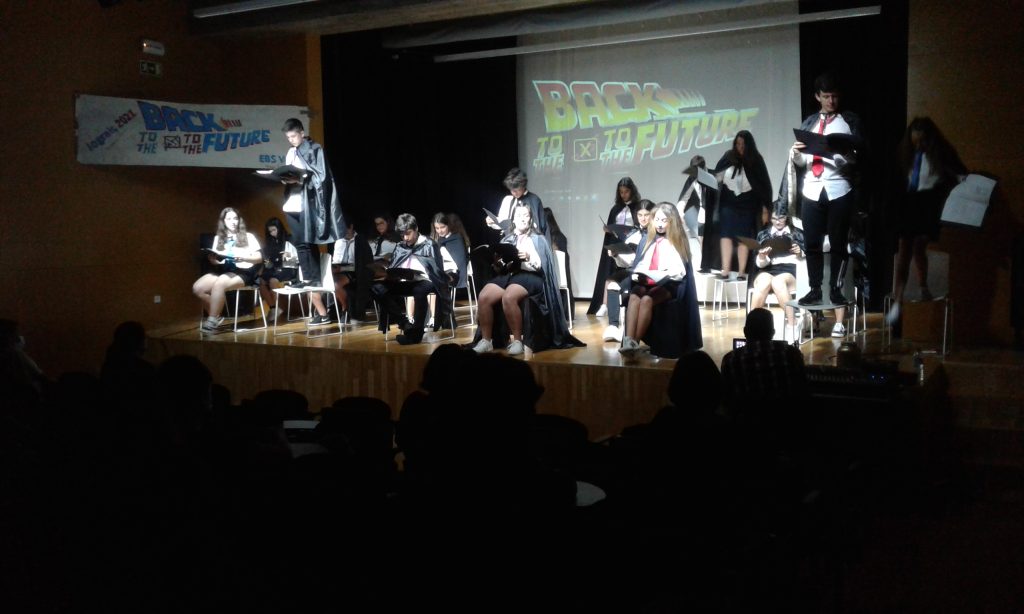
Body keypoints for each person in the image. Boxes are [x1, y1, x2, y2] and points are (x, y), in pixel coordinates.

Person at [788, 73, 863, 338]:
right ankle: (815, 288)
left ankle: (836, 288)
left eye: (835, 96)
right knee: (811, 243)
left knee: (839, 243)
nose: (831, 101)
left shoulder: (847, 122)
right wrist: (797, 154)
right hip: (812, 188)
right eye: (827, 96)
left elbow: (857, 159)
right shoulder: (810, 123)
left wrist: (840, 156)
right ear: (817, 97)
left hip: (838, 188)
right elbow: (802, 163)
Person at [472, 203, 582, 355]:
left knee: (508, 297)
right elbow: (502, 267)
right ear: (513, 219)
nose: (522, 219)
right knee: (484, 296)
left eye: (526, 215)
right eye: (519, 215)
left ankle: (517, 341)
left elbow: (540, 265)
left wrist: (529, 257)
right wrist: (498, 264)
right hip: (510, 274)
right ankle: (486, 341)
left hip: (530, 275)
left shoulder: (537, 239)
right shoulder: (508, 238)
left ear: (531, 219)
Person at [887, 116, 966, 325]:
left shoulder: (941, 154)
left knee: (918, 246)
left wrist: (959, 181)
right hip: (909, 202)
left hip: (929, 203)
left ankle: (923, 286)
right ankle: (898, 299)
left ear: (930, 139)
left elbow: (960, 173)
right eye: (915, 141)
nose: (919, 145)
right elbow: (897, 180)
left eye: (923, 141)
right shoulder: (906, 155)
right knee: (903, 249)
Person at [279, 118, 345, 323]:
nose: (291, 140)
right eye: (288, 137)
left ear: (301, 132)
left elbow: (321, 176)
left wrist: (300, 178)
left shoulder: (314, 149)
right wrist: (285, 179)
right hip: (292, 201)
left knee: (308, 241)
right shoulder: (291, 152)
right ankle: (306, 277)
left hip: (307, 202)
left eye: (293, 136)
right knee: (299, 241)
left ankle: (313, 278)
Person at [619, 202, 701, 357]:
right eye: (657, 220)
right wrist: (638, 274)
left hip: (669, 284)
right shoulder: (647, 239)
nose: (660, 224)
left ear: (671, 221)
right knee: (635, 296)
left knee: (647, 300)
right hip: (647, 281)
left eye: (664, 220)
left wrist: (663, 275)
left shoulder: (677, 241)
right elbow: (640, 263)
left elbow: (680, 272)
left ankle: (635, 343)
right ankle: (628, 341)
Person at [372, 214, 449, 345]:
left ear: (416, 229)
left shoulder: (429, 244)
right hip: (405, 282)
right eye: (402, 235)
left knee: (420, 290)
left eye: (408, 233)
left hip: (426, 281)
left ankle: (416, 334)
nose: (405, 238)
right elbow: (394, 267)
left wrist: (423, 273)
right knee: (377, 288)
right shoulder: (400, 246)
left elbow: (437, 271)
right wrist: (390, 274)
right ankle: (404, 323)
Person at [720, 308, 807, 416]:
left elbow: (726, 399)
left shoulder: (730, 360)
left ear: (745, 331)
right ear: (773, 332)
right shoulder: (791, 354)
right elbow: (802, 390)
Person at [712, 130, 772, 280]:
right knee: (725, 234)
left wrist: (765, 208)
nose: (740, 147)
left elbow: (763, 185)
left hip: (747, 202)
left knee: (743, 237)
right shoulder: (728, 156)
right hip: (728, 200)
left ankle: (741, 272)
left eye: (743, 144)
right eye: (737, 144)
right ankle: (725, 270)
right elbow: (718, 175)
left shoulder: (756, 159)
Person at [193, 207, 263, 332]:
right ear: (224, 221)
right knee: (198, 288)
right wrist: (214, 261)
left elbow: (259, 258)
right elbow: (218, 259)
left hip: (244, 272)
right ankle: (217, 315)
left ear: (239, 220)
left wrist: (244, 258)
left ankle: (212, 320)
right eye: (229, 219)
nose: (233, 222)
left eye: (235, 218)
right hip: (224, 271)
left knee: (220, 282)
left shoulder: (248, 236)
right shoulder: (218, 238)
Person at [750, 207, 806, 342]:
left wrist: (800, 252)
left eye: (781, 218)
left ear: (787, 217)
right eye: (774, 218)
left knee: (778, 281)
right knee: (763, 282)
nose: (778, 222)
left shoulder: (797, 233)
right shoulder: (763, 235)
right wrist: (762, 257)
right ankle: (752, 327)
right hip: (768, 268)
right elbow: (759, 265)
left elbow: (809, 257)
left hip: (790, 270)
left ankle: (792, 324)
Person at [589, 177, 641, 315]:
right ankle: (605, 304)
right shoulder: (615, 209)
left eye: (626, 191)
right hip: (616, 243)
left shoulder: (637, 207)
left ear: (632, 191)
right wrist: (608, 229)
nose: (623, 195)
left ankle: (623, 302)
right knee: (610, 272)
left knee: (627, 271)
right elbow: (612, 224)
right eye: (621, 192)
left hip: (631, 244)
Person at [602, 200, 652, 343]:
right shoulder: (633, 234)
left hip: (646, 273)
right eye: (640, 215)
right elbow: (626, 262)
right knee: (612, 285)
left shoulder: (654, 234)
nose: (643, 218)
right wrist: (616, 255)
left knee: (618, 285)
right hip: (631, 270)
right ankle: (613, 326)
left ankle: (624, 330)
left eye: (646, 215)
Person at [427, 212, 469, 328]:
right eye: (437, 228)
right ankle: (435, 318)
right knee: (429, 282)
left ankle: (444, 320)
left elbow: (460, 261)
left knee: (439, 282)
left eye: (442, 227)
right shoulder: (437, 240)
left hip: (455, 273)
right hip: (441, 272)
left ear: (448, 225)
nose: (440, 231)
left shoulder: (456, 238)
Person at [486, 167, 549, 242]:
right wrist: (493, 222)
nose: (514, 193)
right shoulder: (508, 200)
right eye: (511, 190)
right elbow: (502, 224)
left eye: (516, 190)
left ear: (523, 186)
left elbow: (541, 226)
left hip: (529, 242)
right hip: (510, 242)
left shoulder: (534, 200)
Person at [257, 217, 299, 322]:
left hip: (289, 268)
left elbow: (296, 259)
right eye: (270, 231)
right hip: (275, 269)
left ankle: (277, 306)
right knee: (260, 280)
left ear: (279, 228)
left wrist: (288, 256)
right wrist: (267, 261)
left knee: (272, 280)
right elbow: (269, 260)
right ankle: (273, 307)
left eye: (274, 230)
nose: (272, 233)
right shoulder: (271, 242)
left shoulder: (290, 239)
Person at [331, 221, 373, 323]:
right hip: (339, 270)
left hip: (355, 272)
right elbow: (336, 260)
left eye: (344, 228)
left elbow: (362, 263)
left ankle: (345, 308)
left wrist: (342, 269)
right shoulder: (339, 241)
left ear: (351, 226)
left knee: (336, 284)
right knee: (325, 281)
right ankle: (328, 312)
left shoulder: (360, 241)